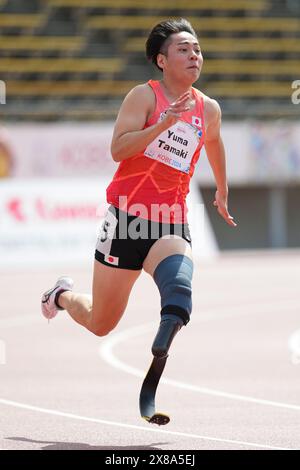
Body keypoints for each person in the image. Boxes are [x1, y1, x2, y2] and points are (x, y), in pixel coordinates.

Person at [41, 18, 236, 418]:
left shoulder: (208, 109)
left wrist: (221, 187)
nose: (194, 54)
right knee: (100, 323)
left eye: (196, 48)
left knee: (179, 287)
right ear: (162, 61)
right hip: (126, 220)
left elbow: (214, 143)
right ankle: (59, 296)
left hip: (170, 217)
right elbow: (118, 149)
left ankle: (163, 342)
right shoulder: (143, 97)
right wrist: (163, 124)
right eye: (183, 49)